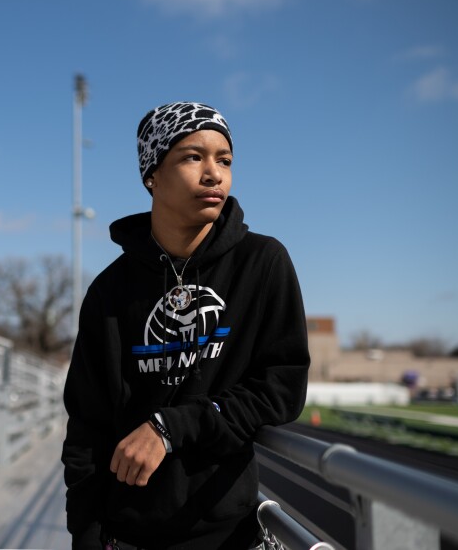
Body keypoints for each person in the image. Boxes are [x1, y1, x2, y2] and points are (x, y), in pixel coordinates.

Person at [61, 101, 310, 549]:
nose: (214, 173)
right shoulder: (109, 292)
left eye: (225, 160)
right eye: (193, 156)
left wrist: (171, 427)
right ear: (152, 175)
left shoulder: (262, 263)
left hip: (227, 536)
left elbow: (282, 387)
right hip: (127, 537)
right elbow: (87, 426)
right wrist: (86, 533)